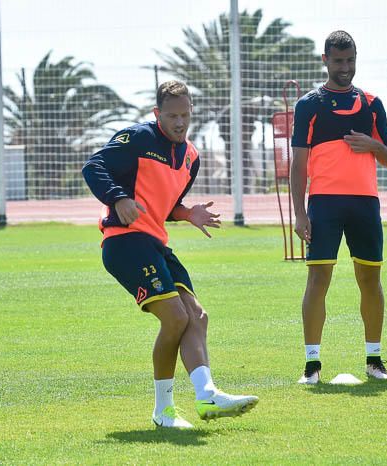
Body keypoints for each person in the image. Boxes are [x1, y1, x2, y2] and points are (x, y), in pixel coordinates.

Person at [82, 80, 258, 428]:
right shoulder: (138, 138)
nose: (179, 122)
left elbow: (166, 204)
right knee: (175, 318)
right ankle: (163, 413)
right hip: (123, 242)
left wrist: (186, 213)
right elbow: (93, 167)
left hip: (154, 242)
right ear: (156, 113)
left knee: (197, 315)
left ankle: (207, 395)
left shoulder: (191, 158)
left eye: (185, 115)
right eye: (172, 115)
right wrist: (119, 198)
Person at [290, 31, 387, 384]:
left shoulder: (371, 103)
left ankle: (374, 359)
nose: (345, 67)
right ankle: (311, 364)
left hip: (366, 204)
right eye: (338, 61)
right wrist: (299, 213)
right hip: (323, 204)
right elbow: (298, 165)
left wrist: (372, 144)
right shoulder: (309, 105)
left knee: (370, 278)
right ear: (325, 60)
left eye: (350, 60)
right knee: (318, 278)